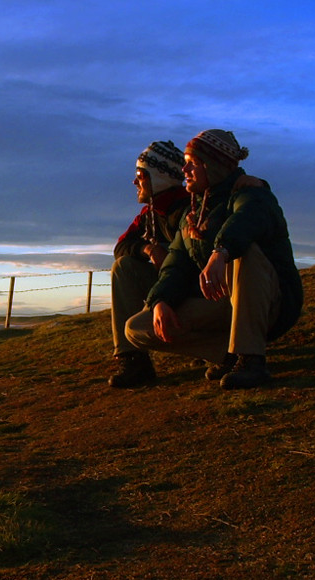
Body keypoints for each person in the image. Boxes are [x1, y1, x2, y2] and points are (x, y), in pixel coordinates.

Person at [123, 128, 303, 390]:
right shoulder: (191, 215)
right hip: (224, 304)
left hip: (271, 302)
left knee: (246, 252)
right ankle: (230, 353)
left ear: (214, 166)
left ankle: (251, 359)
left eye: (192, 164)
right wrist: (161, 300)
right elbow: (176, 265)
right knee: (138, 328)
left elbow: (245, 221)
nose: (184, 171)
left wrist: (221, 252)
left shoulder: (253, 195)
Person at [108, 140, 188, 388]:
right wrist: (147, 248)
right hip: (165, 291)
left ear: (159, 177)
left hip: (191, 289)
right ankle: (133, 358)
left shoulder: (188, 210)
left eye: (141, 175)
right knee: (123, 266)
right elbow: (120, 247)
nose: (135, 182)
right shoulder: (148, 215)